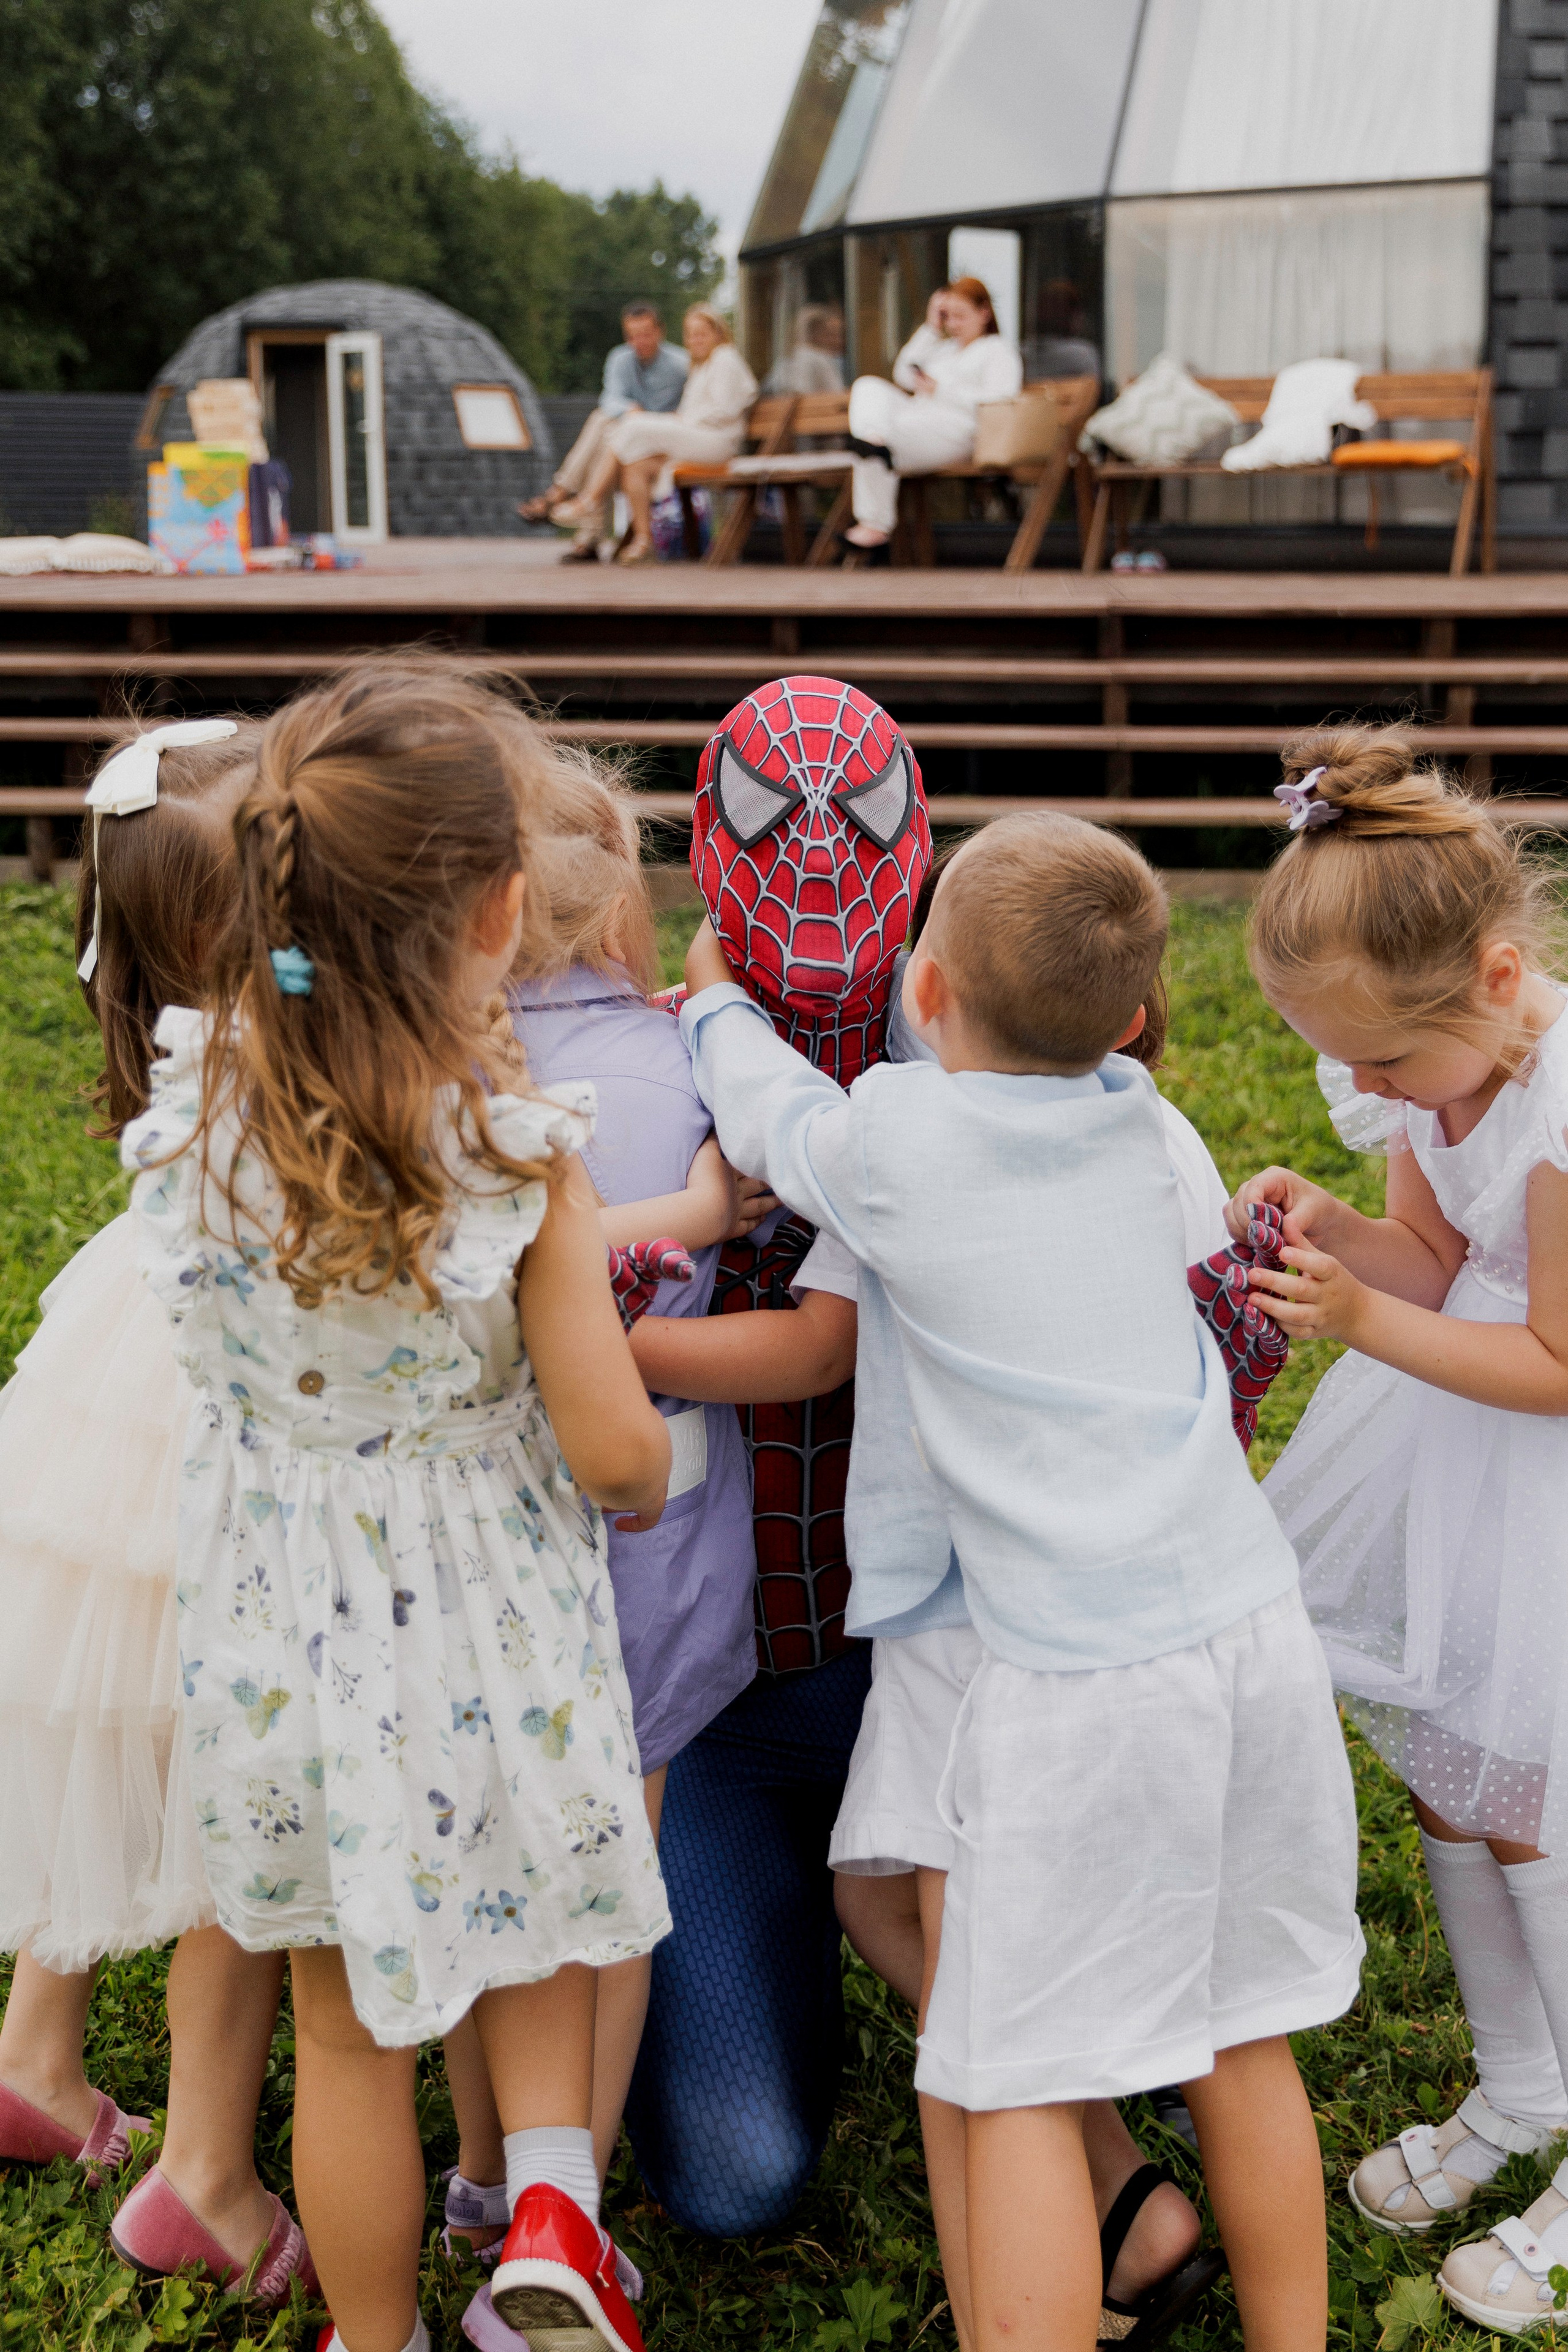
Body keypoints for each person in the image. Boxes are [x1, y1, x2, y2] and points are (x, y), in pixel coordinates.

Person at [679, 810, 1364, 2352]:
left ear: (921, 996)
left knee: (1009, 2078)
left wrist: (717, 986)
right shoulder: (1145, 1122)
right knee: (1239, 2036)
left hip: (1067, 1670)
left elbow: (769, 1106)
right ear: (1129, 1023)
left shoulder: (897, 1143)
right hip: (1248, 1632)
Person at [120, 663, 675, 2352]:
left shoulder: (194, 1113)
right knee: (532, 1935)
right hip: (488, 1624)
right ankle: (550, 2221)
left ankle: (376, 2337)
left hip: (283, 1637)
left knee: (345, 2022)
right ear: (508, 909)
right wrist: (642, 1476)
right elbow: (616, 1452)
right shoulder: (516, 1155)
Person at [1230, 726, 1568, 2335]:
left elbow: (1557, 1365)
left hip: (1541, 1478)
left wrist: (1360, 1313)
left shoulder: (1563, 1105)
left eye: (1383, 1066)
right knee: (1452, 1774)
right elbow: (1436, 1266)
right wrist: (1339, 1227)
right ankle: (1519, 2086)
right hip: (1457, 1456)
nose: (1361, 1090)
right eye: (1341, 1066)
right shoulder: (1435, 1070)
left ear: (1501, 978)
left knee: (1537, 1816)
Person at [439, 752, 777, 2345]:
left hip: (466, 1550)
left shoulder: (430, 1069)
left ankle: (480, 2170)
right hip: (650, 1534)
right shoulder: (695, 1073)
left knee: (484, 1871)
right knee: (613, 1890)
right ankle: (562, 2217)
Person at [0, 717, 318, 2304]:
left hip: (117, 1365)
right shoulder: (301, 1041)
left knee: (105, 1696)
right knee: (227, 1789)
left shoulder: (177, 1052)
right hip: (231, 1404)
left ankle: (37, 2053)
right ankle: (204, 2173)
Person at [616, 679, 929, 2238]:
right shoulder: (640, 1076)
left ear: (914, 846)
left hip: (939, 1678)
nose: (816, 854)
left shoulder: (989, 1070)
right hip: (709, 1702)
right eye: (774, 821)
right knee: (733, 2173)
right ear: (706, 853)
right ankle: (772, 1919)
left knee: (1100, 2030)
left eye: (853, 822)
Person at [556, 304, 757, 568]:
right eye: (690, 334)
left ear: (718, 333)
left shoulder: (725, 359)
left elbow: (724, 410)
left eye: (702, 333)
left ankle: (590, 499)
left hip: (718, 442)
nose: (695, 340)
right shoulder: (702, 366)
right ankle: (643, 542)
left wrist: (682, 420)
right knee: (635, 464)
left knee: (632, 425)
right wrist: (681, 420)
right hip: (699, 437)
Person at [842, 277, 1022, 560]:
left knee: (877, 443)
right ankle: (874, 441)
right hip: (915, 421)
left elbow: (1000, 401)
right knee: (868, 387)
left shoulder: (997, 350)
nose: (954, 324)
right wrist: (930, 327)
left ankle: (874, 522)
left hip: (958, 431)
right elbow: (902, 373)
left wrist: (942, 390)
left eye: (961, 315)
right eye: (948, 316)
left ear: (984, 313)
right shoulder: (942, 349)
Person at [518, 303, 687, 547]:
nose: (640, 341)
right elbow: (610, 399)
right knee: (606, 426)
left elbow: (688, 410)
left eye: (646, 334)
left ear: (661, 331)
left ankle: (562, 498)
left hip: (659, 444)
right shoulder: (620, 358)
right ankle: (587, 535)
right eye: (633, 335)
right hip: (625, 439)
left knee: (604, 424)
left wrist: (645, 419)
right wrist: (631, 411)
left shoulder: (680, 364)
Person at [764, 304, 846, 397]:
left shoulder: (787, 358)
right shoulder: (819, 358)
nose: (839, 341)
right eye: (830, 334)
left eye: (839, 335)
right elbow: (838, 396)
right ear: (816, 334)